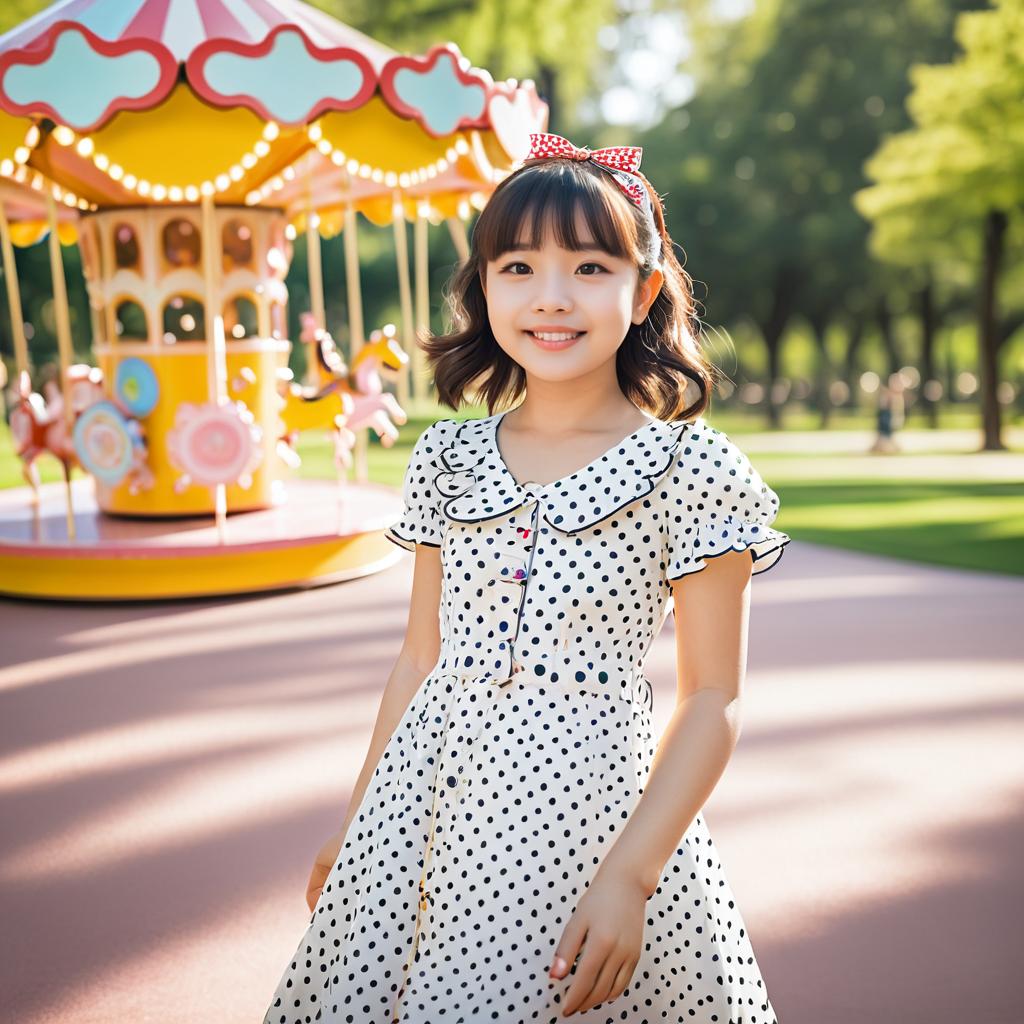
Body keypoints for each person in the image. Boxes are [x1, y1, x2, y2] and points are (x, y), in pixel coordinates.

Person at [263, 132, 790, 1024]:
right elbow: (417, 659)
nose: (551, 298)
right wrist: (359, 822)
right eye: (517, 267)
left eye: (589, 268)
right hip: (425, 809)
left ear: (644, 290)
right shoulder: (446, 455)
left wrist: (632, 875)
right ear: (483, 287)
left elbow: (712, 700)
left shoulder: (692, 469)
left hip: (590, 817)